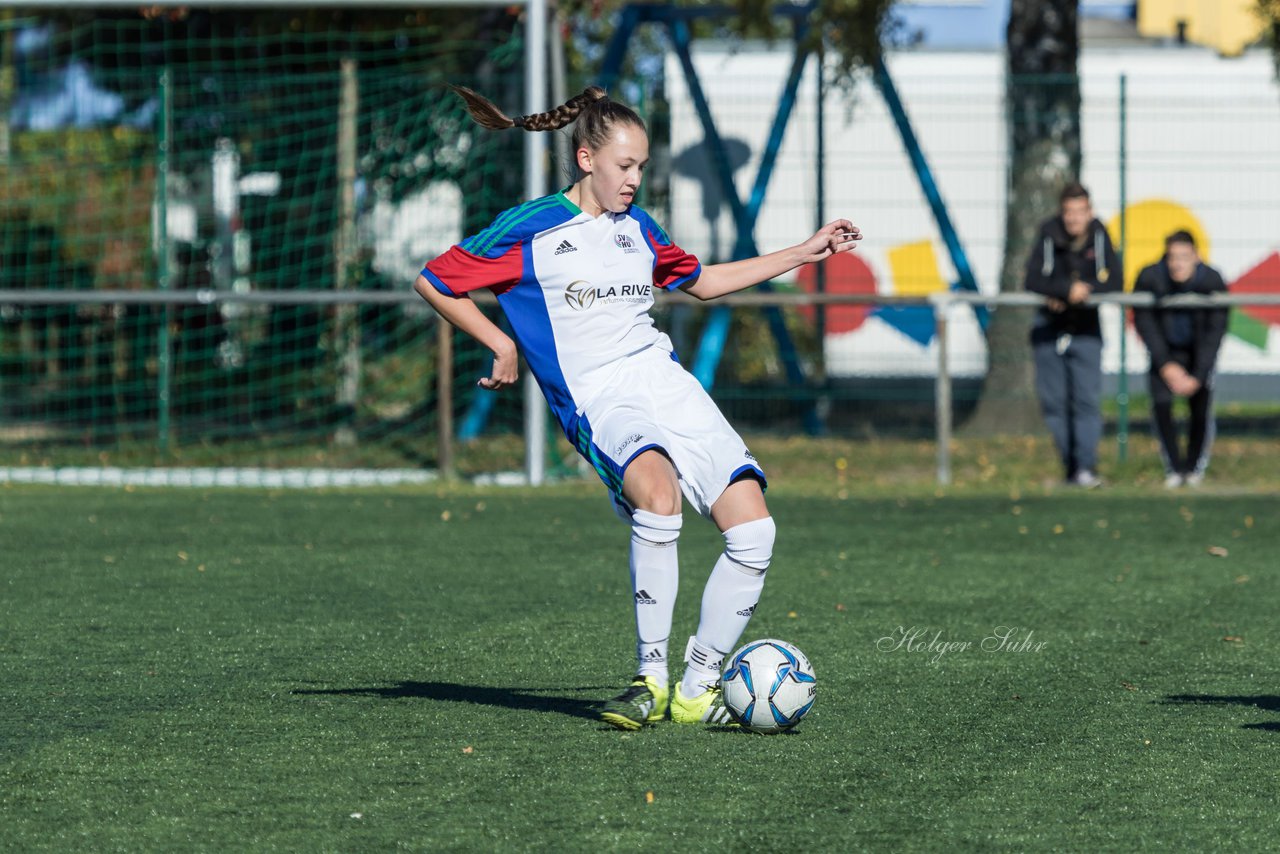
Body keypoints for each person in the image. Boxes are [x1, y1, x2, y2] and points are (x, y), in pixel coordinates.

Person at [415, 85, 861, 730]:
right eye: (625, 167)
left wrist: (802, 251)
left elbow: (703, 282)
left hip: (664, 381)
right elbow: (435, 279)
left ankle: (699, 686)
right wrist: (499, 341)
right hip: (598, 396)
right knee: (659, 497)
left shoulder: (638, 229)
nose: (634, 180)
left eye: (642, 168)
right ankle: (649, 678)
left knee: (755, 530)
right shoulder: (531, 227)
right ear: (587, 158)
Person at [1024, 182, 1123, 488]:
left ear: (1089, 212)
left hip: (1085, 329)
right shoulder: (1048, 233)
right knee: (1054, 403)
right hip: (1049, 328)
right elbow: (1032, 279)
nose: (1074, 219)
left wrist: (1085, 291)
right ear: (1061, 212)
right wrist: (1066, 290)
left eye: (1080, 212)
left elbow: (1116, 280)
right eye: (1069, 212)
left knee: (1086, 401)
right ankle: (1070, 468)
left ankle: (1086, 467)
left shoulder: (1100, 235)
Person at [1132, 231, 1228, 488]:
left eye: (1184, 257)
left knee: (1200, 411)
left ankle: (1194, 469)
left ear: (1196, 257)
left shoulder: (1212, 280)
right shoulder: (1150, 277)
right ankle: (1173, 469)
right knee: (1162, 405)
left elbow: (1215, 331)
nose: (1177, 264)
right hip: (1165, 353)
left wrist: (1198, 374)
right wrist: (1165, 364)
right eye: (1172, 257)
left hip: (1198, 356)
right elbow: (1145, 322)